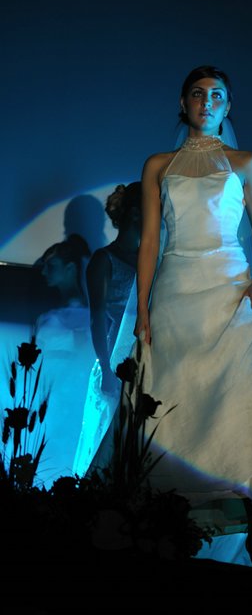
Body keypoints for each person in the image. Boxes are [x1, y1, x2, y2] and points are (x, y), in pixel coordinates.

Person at [89, 65, 252, 572]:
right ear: (183, 102)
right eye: (198, 93)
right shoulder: (158, 165)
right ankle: (155, 529)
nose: (207, 102)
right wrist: (142, 307)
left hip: (229, 289)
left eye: (217, 95)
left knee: (246, 394)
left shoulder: (246, 163)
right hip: (175, 289)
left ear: (228, 106)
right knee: (167, 394)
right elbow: (151, 242)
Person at [73, 182, 141, 478]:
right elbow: (97, 318)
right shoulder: (104, 259)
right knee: (107, 441)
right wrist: (105, 367)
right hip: (114, 359)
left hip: (143, 360)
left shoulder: (150, 259)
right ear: (136, 213)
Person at [34, 234, 95, 487]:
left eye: (52, 266)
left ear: (70, 269)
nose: (44, 272)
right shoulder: (47, 316)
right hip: (50, 396)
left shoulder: (90, 316)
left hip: (74, 395)